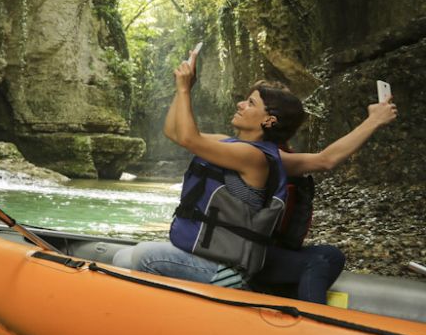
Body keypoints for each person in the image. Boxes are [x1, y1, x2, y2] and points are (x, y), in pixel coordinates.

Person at [113, 48, 398, 304]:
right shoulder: (239, 147)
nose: (239, 104)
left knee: (141, 256)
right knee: (122, 257)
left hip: (224, 270)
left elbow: (189, 139)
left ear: (268, 120)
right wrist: (182, 91)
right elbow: (175, 133)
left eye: (250, 103)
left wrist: (185, 89)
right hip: (211, 257)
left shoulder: (254, 157)